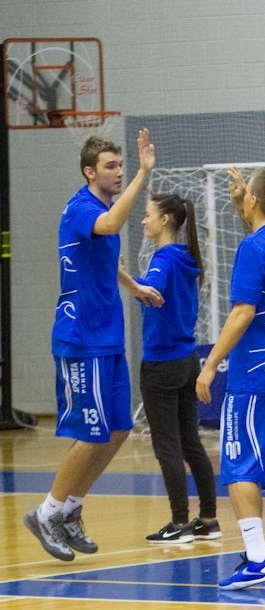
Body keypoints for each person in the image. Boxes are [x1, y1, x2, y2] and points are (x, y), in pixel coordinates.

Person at [24, 130, 163, 561]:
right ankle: (46, 513)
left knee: (118, 428)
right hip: (80, 338)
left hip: (108, 336)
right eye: (111, 166)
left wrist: (134, 286)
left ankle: (70, 508)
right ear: (90, 172)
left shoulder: (102, 207)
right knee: (90, 431)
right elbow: (111, 225)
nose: (119, 172)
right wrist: (143, 175)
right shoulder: (83, 208)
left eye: (122, 166)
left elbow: (107, 260)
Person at [196, 166, 265, 591]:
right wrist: (246, 200)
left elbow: (243, 312)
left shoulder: (252, 247)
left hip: (256, 377)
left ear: (254, 203)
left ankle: (258, 559)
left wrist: (210, 363)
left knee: (238, 463)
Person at [122, 193, 220, 544]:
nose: (144, 221)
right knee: (191, 442)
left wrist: (120, 276)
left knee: (167, 446)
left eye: (148, 215)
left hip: (162, 364)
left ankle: (179, 523)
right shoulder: (186, 257)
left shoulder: (163, 258)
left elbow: (153, 293)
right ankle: (208, 519)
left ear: (165, 220)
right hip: (187, 359)